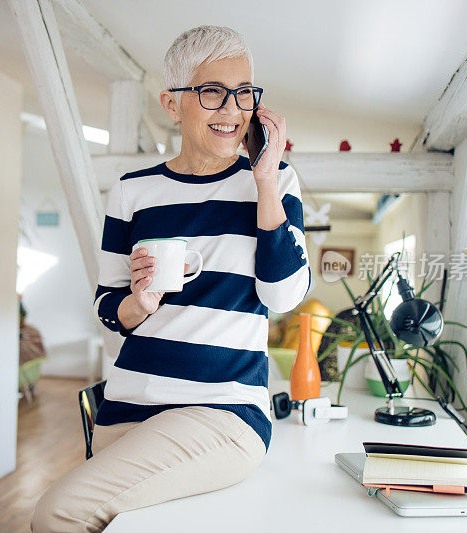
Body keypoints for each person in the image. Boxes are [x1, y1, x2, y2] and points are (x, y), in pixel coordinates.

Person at [31, 24, 310, 532]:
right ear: (171, 102)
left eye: (244, 92)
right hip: (128, 411)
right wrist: (139, 303)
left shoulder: (273, 181)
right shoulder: (133, 191)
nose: (232, 109)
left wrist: (265, 179)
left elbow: (285, 293)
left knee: (59, 513)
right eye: (212, 93)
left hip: (222, 413)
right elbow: (106, 306)